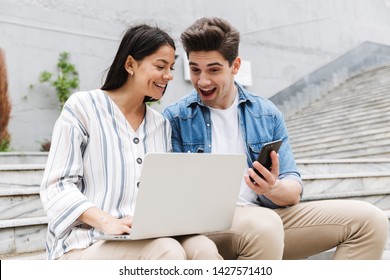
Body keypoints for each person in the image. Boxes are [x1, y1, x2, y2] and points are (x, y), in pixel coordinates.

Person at [163, 17, 389, 259]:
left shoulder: (267, 114)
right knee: (264, 225)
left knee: (370, 220)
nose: (202, 81)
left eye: (214, 70)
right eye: (195, 69)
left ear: (235, 65)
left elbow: (292, 190)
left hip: (268, 217)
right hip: (206, 230)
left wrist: (273, 187)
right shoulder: (176, 117)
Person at [40, 24, 222, 260]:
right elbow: (56, 186)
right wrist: (107, 221)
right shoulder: (82, 108)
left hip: (145, 236)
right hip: (84, 242)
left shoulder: (161, 125)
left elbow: (164, 192)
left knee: (204, 250)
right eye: (160, 66)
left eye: (171, 68)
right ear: (130, 65)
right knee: (168, 252)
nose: (168, 75)